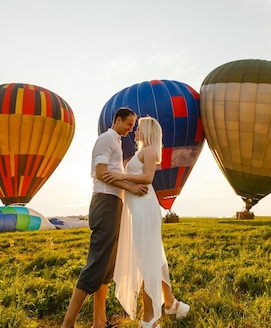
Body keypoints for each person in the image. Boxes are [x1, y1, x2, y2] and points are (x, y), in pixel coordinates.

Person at [61, 107, 149, 328]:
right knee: (97, 263)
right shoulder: (106, 139)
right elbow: (101, 173)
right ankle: (67, 324)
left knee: (108, 265)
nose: (131, 129)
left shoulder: (117, 141)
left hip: (114, 202)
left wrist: (126, 188)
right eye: (129, 124)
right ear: (117, 120)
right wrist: (130, 186)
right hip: (104, 202)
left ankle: (99, 322)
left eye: (133, 125)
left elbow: (111, 173)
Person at [103, 117, 190, 328]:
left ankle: (149, 318)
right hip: (138, 206)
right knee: (152, 256)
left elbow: (148, 178)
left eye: (139, 128)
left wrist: (115, 175)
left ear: (148, 131)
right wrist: (119, 179)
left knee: (146, 260)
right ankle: (172, 304)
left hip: (144, 206)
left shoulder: (149, 151)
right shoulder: (141, 153)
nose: (135, 131)